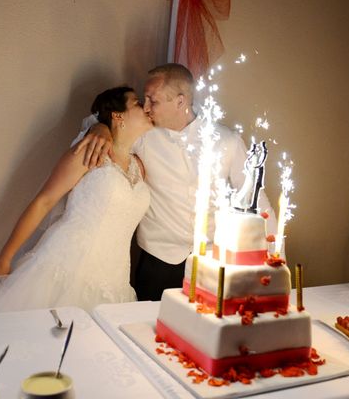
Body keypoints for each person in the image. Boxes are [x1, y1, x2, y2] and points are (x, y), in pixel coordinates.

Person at [74, 64, 277, 301]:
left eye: (153, 101)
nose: (146, 108)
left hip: (213, 262)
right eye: (144, 99)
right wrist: (100, 127)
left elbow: (258, 201)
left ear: (180, 102)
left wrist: (273, 259)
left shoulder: (228, 140)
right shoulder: (143, 134)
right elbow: (98, 121)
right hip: (158, 260)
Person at [0, 86, 152, 313]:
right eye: (137, 102)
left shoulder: (139, 166)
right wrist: (4, 258)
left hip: (114, 280)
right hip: (65, 267)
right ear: (117, 115)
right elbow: (44, 201)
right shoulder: (88, 150)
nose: (146, 106)